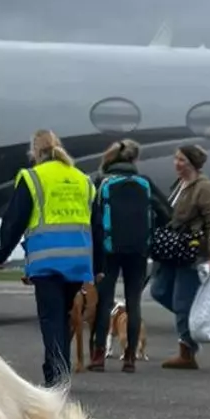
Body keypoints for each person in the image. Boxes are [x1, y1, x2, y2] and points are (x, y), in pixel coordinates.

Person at [0, 128, 96, 386]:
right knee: (61, 318)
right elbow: (97, 226)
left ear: (36, 152)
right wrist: (99, 265)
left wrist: (1, 254)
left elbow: (14, 220)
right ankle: (58, 369)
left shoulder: (32, 177)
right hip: (78, 262)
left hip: (47, 262)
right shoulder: (83, 179)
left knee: (51, 319)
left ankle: (57, 377)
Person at [87, 138, 169, 374]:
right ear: (135, 159)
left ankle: (98, 356)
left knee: (104, 302)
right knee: (134, 302)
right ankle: (130, 358)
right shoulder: (145, 183)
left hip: (108, 249)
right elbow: (166, 214)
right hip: (138, 250)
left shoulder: (101, 182)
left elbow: (92, 215)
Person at [150, 142, 210, 370]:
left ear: (192, 163)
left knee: (182, 301)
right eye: (176, 159)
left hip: (192, 251)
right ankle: (192, 322)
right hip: (173, 249)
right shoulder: (180, 184)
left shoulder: (204, 188)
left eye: (181, 160)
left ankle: (187, 353)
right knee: (159, 291)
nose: (176, 163)